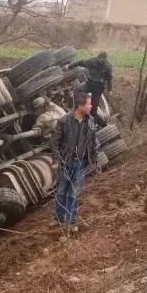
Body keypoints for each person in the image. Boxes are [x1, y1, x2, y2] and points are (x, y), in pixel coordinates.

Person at [51, 91, 98, 232]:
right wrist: (57, 159)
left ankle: (72, 221)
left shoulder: (90, 121)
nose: (91, 106)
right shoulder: (64, 121)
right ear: (80, 106)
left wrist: (94, 158)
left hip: (80, 164)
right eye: (89, 104)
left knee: (74, 193)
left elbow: (93, 142)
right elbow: (54, 142)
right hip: (65, 163)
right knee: (61, 192)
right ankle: (58, 219)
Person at [78, 51, 112, 124]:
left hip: (98, 88)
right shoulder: (92, 61)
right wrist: (70, 66)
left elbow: (109, 78)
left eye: (104, 59)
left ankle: (92, 122)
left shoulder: (108, 66)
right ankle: (79, 109)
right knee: (79, 90)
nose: (102, 60)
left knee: (94, 107)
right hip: (90, 84)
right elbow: (81, 62)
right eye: (101, 59)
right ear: (98, 58)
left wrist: (110, 89)